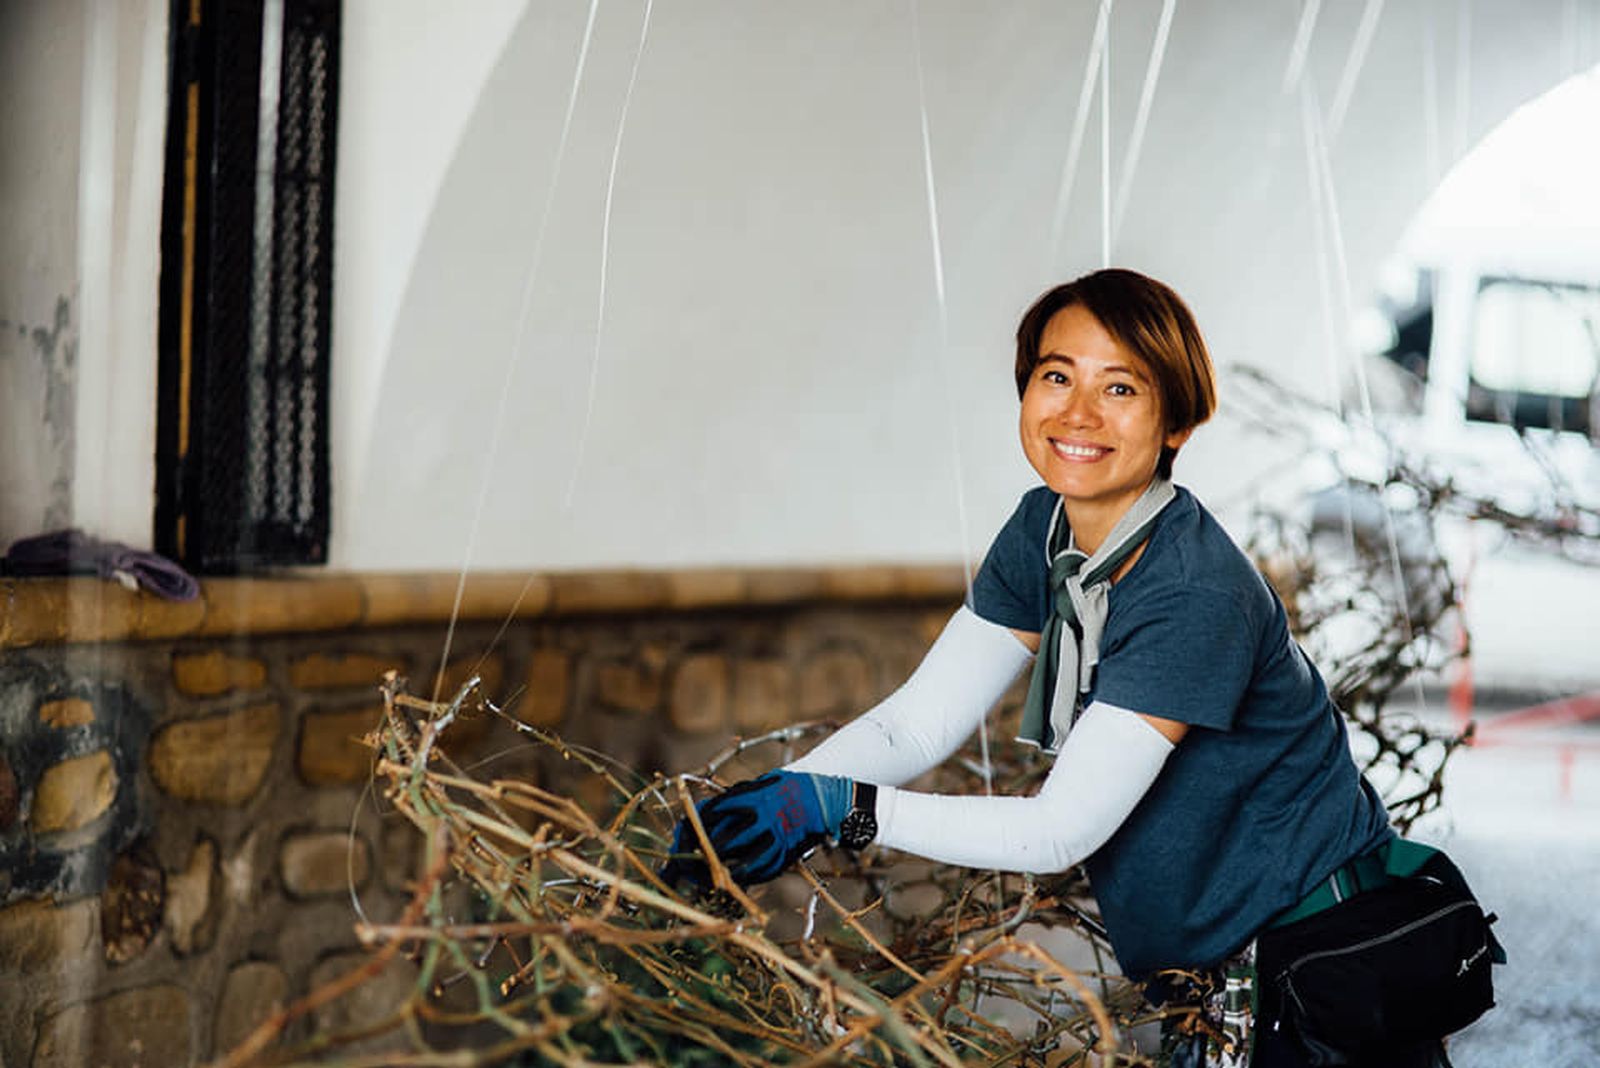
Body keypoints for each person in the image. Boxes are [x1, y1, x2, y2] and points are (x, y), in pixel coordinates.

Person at [664, 269, 1479, 1067]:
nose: (1079, 412)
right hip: (1220, 981)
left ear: (1177, 423)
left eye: (1120, 388)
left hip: (1319, 977)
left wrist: (840, 810)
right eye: (1057, 376)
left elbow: (1061, 829)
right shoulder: (1045, 530)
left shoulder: (1192, 591)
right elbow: (916, 723)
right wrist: (773, 800)